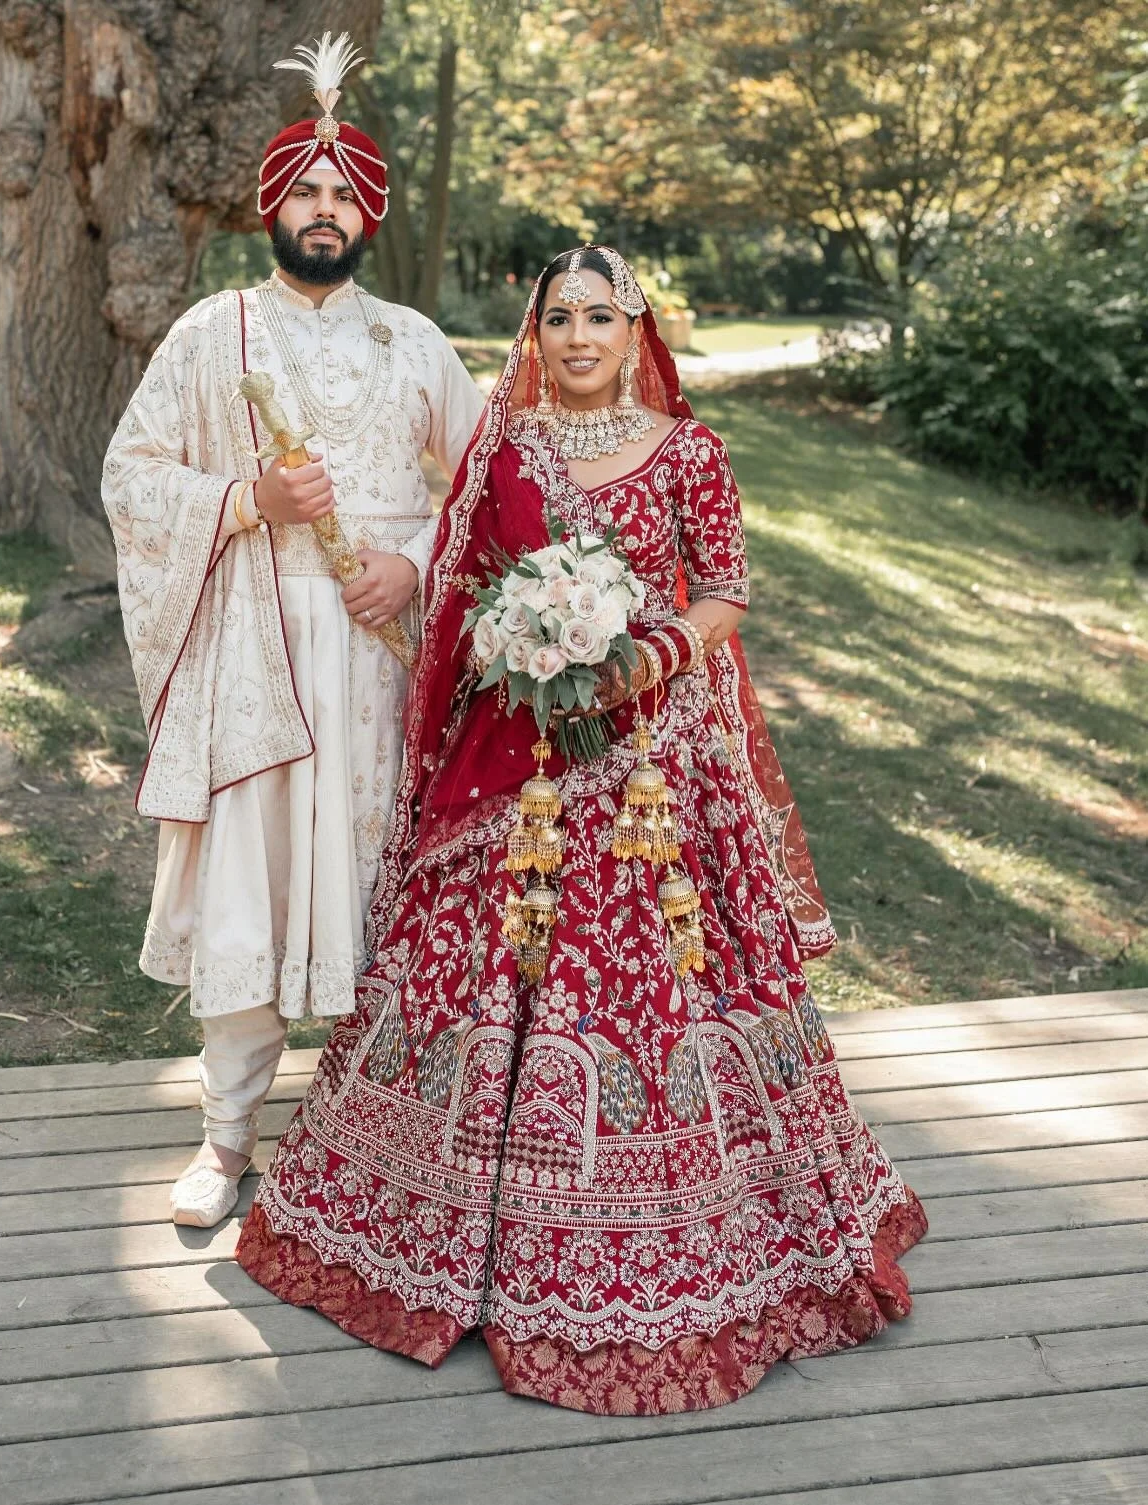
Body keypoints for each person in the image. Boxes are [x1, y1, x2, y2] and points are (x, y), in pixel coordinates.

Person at [235, 245, 927, 1415]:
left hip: (658, 762)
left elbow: (727, 591)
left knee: (663, 979)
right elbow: (464, 586)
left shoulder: (691, 451)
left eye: (599, 316)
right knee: (485, 965)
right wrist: (516, 642)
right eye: (558, 317)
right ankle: (441, 1229)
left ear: (635, 329)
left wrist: (644, 655)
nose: (577, 338)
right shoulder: (505, 448)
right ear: (538, 333)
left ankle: (684, 1229)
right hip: (526, 755)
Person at [102, 34, 483, 1229]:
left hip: (381, 658)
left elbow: (489, 485)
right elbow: (130, 473)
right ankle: (226, 1138)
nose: (326, 211)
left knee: (389, 881)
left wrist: (414, 566)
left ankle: (386, 1133)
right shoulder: (211, 335)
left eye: (345, 196)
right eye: (307, 192)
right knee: (249, 886)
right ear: (273, 208)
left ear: (369, 215)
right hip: (252, 655)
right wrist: (246, 501)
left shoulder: (414, 340)